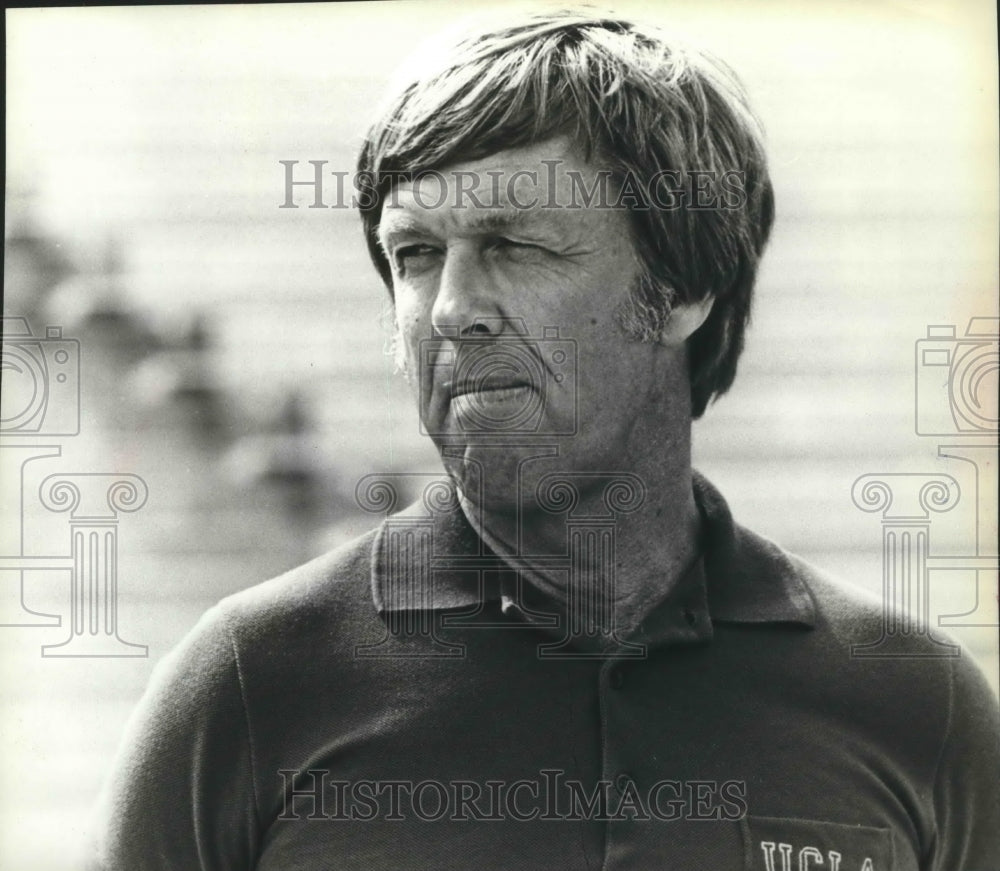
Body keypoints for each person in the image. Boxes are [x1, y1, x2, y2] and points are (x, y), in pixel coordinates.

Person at [89, 9, 999, 870]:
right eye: (414, 255)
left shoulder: (917, 707)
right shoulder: (249, 686)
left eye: (517, 246)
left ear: (684, 286)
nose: (451, 310)